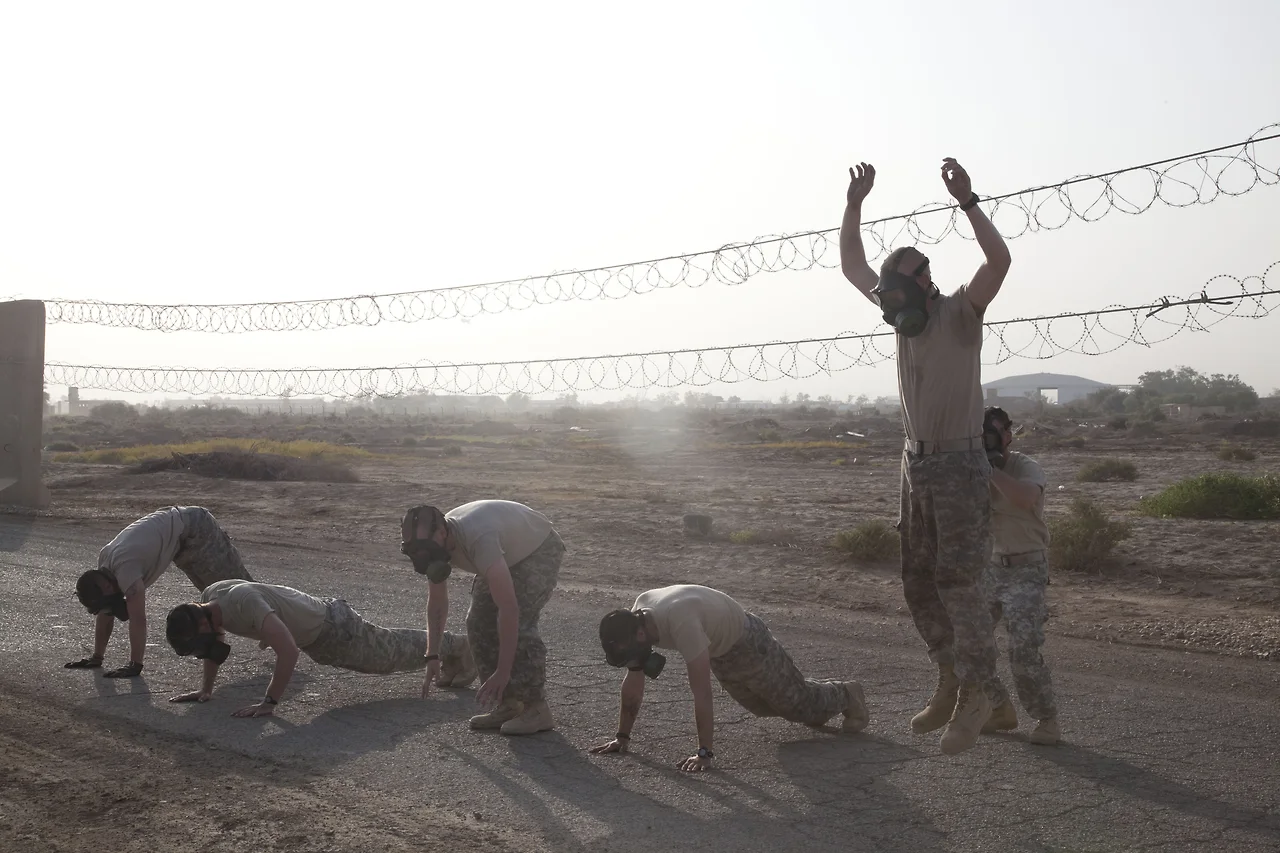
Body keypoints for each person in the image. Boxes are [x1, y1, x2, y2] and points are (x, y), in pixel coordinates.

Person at [839, 157, 1012, 755]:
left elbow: (999, 263)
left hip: (961, 465)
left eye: (898, 293)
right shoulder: (899, 321)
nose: (888, 304)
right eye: (886, 298)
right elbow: (852, 266)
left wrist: (968, 203)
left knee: (959, 582)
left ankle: (981, 693)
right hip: (915, 465)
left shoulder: (959, 314)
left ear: (922, 288)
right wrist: (855, 204)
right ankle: (949, 675)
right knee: (918, 581)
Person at [589, 584, 869, 772]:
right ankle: (815, 705)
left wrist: (704, 753)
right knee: (763, 707)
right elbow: (634, 684)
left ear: (639, 635)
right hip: (719, 649)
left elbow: (702, 694)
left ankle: (847, 694)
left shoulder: (681, 623)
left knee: (795, 706)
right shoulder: (636, 619)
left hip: (747, 642)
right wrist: (622, 737)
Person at [164, 578, 459, 717]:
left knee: (391, 654)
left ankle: (456, 646)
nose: (201, 647)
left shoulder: (242, 601)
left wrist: (269, 703)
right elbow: (217, 642)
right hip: (323, 632)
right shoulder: (210, 597)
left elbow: (288, 652)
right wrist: (206, 689)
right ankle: (453, 650)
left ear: (202, 624)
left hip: (335, 629)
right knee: (391, 648)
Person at [400, 500, 565, 736]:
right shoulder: (430, 546)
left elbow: (509, 610)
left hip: (537, 549)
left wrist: (504, 671)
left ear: (443, 531)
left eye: (426, 548)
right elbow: (437, 602)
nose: (423, 555)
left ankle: (537, 709)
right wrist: (433, 655)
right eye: (416, 552)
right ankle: (509, 703)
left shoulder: (478, 538)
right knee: (478, 621)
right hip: (503, 552)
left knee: (521, 622)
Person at [66, 505, 254, 678]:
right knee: (216, 596)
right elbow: (105, 614)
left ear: (107, 587)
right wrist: (97, 656)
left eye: (107, 602)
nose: (111, 607)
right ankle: (268, 626)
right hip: (181, 541)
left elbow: (138, 619)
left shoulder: (126, 569)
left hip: (196, 529)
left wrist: (135, 665)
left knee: (238, 591)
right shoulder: (104, 565)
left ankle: (278, 620)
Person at [980, 406, 1060, 745]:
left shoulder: (1024, 466)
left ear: (1009, 434)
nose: (989, 438)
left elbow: (1026, 498)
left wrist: (989, 470)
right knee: (966, 643)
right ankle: (999, 708)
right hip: (989, 568)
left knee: (1023, 648)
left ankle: (1046, 719)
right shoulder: (970, 469)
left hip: (1027, 568)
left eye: (994, 432)